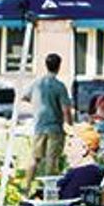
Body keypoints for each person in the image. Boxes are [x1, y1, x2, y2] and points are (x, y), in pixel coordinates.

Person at [23, 53, 73, 195]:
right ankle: (49, 192)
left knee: (35, 158)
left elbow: (24, 96)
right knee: (52, 160)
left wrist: (37, 105)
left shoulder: (37, 83)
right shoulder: (59, 86)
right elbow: (66, 110)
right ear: (59, 66)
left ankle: (26, 188)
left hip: (39, 126)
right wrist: (70, 124)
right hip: (54, 128)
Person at [58, 125, 103, 199]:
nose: (65, 151)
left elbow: (66, 200)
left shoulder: (85, 173)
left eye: (70, 145)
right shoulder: (83, 171)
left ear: (84, 149)